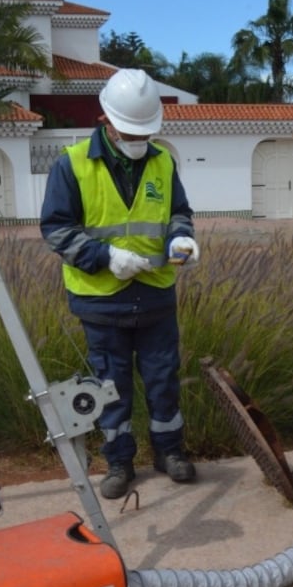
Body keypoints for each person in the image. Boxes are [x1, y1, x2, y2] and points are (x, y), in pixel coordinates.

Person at [40, 68, 200, 499]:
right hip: (101, 301)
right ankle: (119, 462)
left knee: (163, 379)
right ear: (105, 121)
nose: (136, 139)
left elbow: (179, 213)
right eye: (129, 130)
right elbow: (56, 229)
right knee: (111, 388)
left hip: (155, 296)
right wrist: (105, 256)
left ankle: (170, 452)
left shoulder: (162, 161)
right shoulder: (71, 165)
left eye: (143, 132)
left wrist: (182, 236)